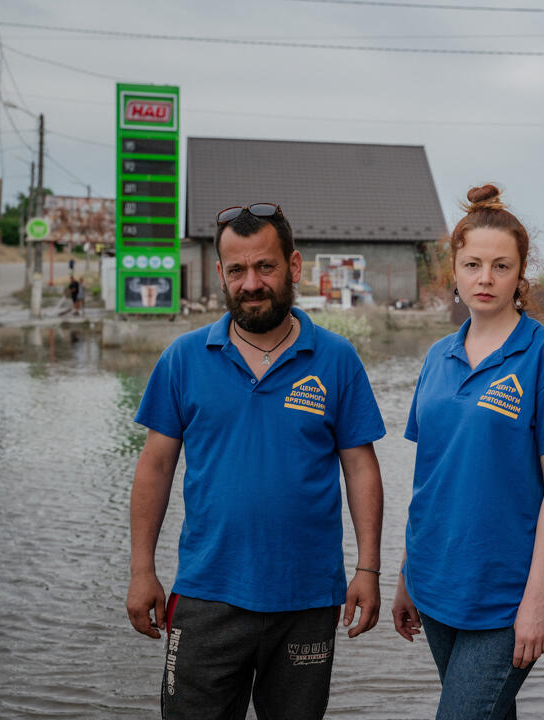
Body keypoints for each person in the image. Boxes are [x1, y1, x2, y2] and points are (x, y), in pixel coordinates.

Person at [126, 202, 386, 720]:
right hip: (206, 593)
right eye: (238, 270)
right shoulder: (183, 357)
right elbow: (155, 467)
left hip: (308, 596)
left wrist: (368, 568)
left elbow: (361, 468)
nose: (251, 283)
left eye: (264, 266)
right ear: (221, 273)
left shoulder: (335, 358)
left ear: (293, 266)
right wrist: (141, 570)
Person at [391, 184, 544, 719]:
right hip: (435, 583)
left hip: (505, 596)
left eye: (501, 266)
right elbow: (430, 477)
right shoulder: (438, 357)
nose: (486, 278)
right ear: (453, 271)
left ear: (520, 275)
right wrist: (405, 574)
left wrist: (535, 601)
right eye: (473, 264)